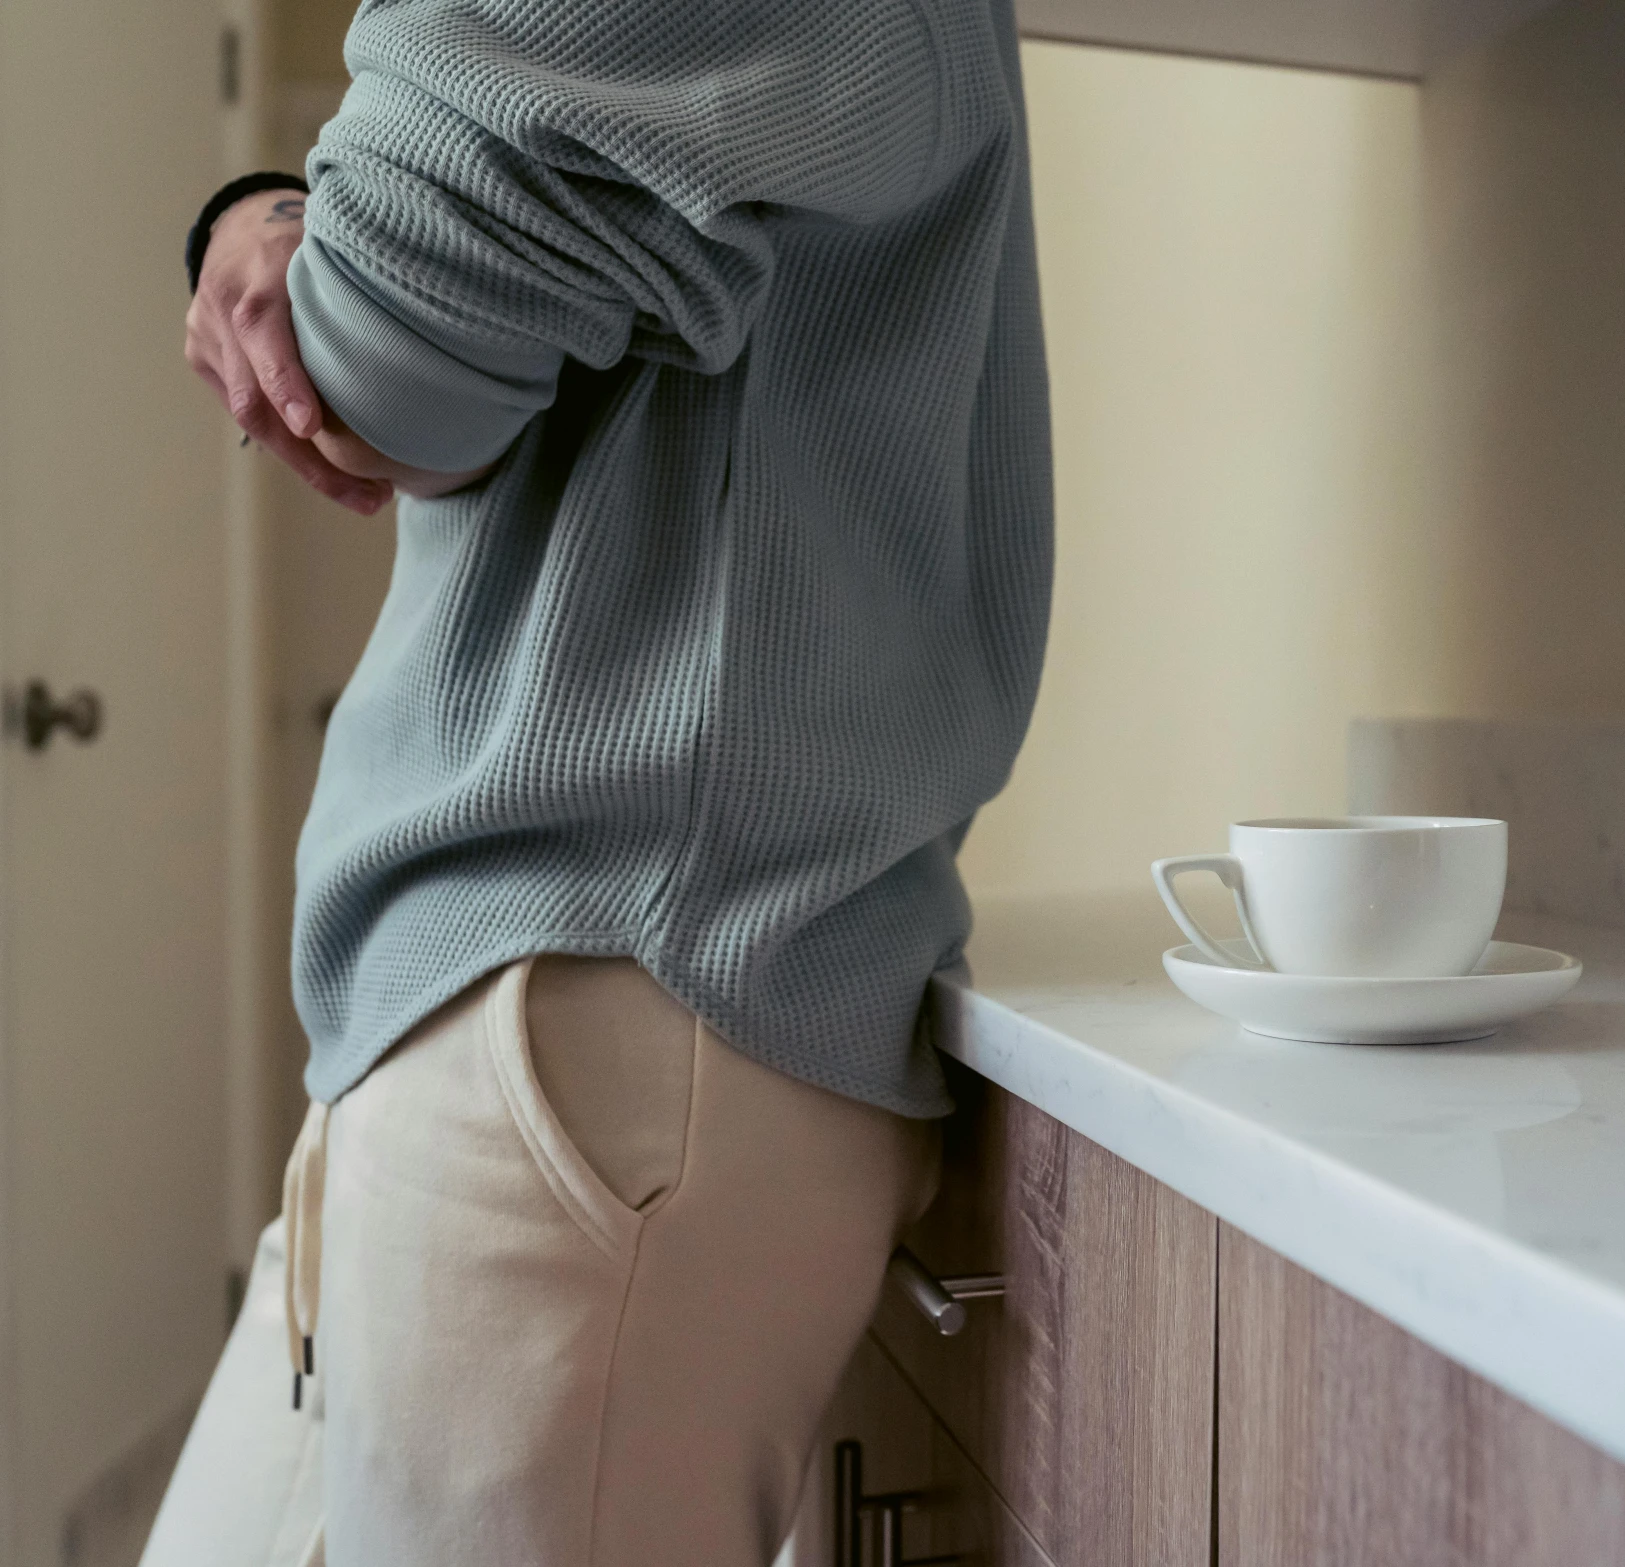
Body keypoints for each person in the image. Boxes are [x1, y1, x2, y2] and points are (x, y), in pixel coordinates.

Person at [149, 0, 1050, 1560]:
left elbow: (381, 366)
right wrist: (269, 220)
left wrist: (294, 231)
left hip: (592, 1007)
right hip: (537, 1005)